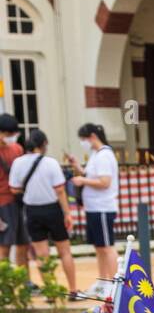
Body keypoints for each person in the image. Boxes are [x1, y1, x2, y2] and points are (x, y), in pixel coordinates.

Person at [9, 130, 81, 299]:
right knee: (65, 251)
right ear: (43, 145)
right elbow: (60, 190)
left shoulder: (18, 163)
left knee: (42, 255)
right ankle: (73, 290)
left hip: (32, 211)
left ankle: (51, 292)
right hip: (53, 210)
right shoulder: (50, 163)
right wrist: (67, 213)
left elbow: (13, 188)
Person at [66, 122, 118, 289]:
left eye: (83, 139)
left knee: (107, 246)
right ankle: (103, 280)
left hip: (102, 206)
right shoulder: (96, 154)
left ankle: (115, 283)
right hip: (93, 207)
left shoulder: (104, 155)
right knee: (99, 247)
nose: (83, 143)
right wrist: (78, 168)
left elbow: (105, 182)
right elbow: (92, 175)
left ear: (92, 137)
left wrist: (82, 180)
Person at [0, 113, 29, 276]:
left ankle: (25, 281)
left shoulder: (17, 149)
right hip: (3, 203)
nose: (12, 137)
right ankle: (4, 285)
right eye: (8, 134)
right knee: (4, 246)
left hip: (19, 201)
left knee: (23, 244)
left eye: (13, 134)